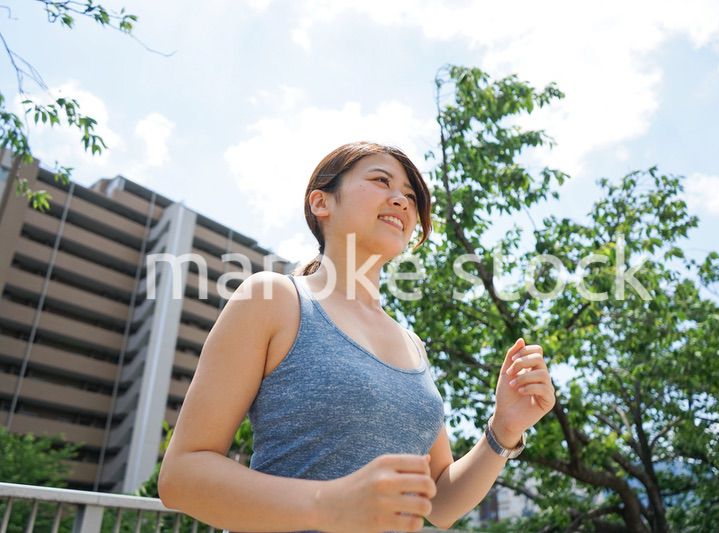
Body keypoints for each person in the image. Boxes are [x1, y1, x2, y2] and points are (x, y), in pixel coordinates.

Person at [157, 141, 556, 532]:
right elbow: (182, 476)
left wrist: (504, 428)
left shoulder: (412, 345)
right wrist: (326, 506)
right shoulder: (274, 298)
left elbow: (439, 503)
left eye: (411, 196)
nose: (401, 199)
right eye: (381, 180)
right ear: (321, 203)